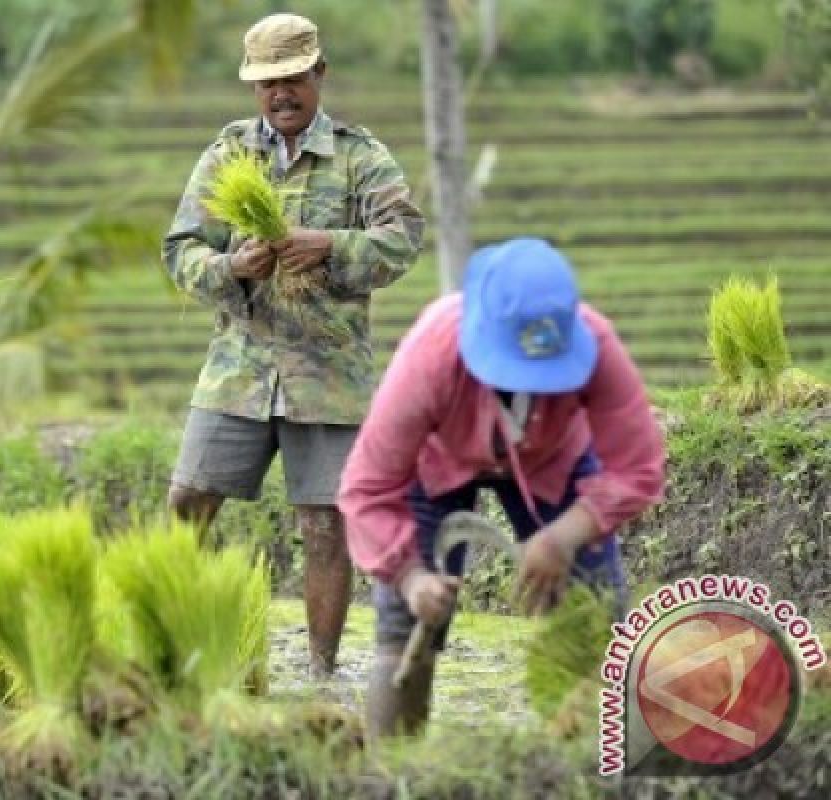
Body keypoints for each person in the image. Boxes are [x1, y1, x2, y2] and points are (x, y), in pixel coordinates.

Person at [163, 13, 424, 677]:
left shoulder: (361, 155)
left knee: (325, 526)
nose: (280, 93)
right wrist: (232, 269)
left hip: (327, 376)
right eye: (266, 82)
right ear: (253, 88)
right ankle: (174, 642)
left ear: (319, 76)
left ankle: (319, 671)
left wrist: (331, 246)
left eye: (293, 78)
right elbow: (180, 250)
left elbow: (403, 240)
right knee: (188, 502)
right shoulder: (229, 153)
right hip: (237, 370)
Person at [337, 237, 666, 735]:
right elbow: (368, 487)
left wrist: (565, 536)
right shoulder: (431, 358)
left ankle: (589, 766)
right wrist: (410, 577)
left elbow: (637, 467)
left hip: (553, 461)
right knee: (405, 623)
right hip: (441, 463)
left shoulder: (597, 346)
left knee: (595, 614)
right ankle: (391, 773)